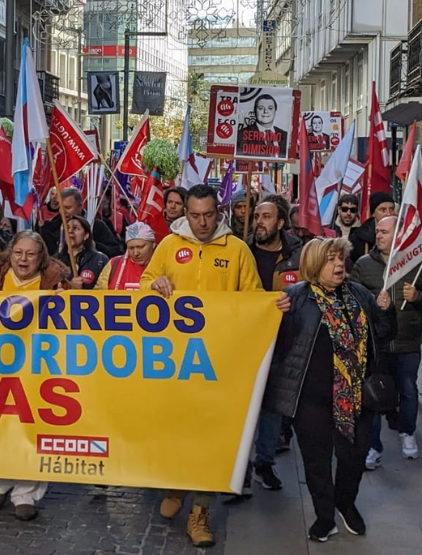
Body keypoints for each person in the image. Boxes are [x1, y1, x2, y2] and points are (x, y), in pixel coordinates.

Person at [141, 184, 291, 548]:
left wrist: (271, 306)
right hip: (175, 363)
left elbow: (252, 297)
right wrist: (153, 284)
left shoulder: (237, 250)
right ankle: (177, 487)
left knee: (213, 438)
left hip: (219, 363)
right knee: (177, 431)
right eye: (195, 216)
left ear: (219, 212)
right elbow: (145, 284)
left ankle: (200, 512)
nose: (202, 222)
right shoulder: (168, 246)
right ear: (185, 214)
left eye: (209, 215)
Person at [265, 237, 391, 542]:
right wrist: (273, 315)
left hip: (356, 396)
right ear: (313, 265)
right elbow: (274, 345)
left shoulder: (360, 294)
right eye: (330, 260)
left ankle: (345, 503)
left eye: (340, 259)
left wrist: (387, 311)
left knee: (354, 457)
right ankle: (324, 516)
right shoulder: (294, 297)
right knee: (316, 462)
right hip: (310, 399)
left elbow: (384, 335)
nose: (338, 265)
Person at [0, 231, 70, 520]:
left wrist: (67, 301)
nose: (23, 259)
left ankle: (26, 493)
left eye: (31, 254)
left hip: (39, 366)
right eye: (18, 253)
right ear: (10, 254)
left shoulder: (53, 282)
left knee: (34, 427)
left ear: (41, 258)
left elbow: (74, 321)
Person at [349, 216, 422, 470]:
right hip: (376, 342)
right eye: (377, 231)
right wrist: (372, 301)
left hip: (406, 341)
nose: (378, 236)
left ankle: (407, 432)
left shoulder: (416, 265)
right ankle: (373, 446)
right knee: (374, 393)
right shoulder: (363, 264)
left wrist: (418, 296)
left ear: (398, 236)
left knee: (408, 389)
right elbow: (352, 297)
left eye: (384, 232)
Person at [246, 197, 305, 493]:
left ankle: (264, 463)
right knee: (243, 408)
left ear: (280, 223)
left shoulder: (298, 254)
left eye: (266, 217)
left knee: (271, 407)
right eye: (257, 216)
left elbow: (311, 292)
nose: (259, 221)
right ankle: (239, 468)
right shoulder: (242, 252)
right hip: (245, 343)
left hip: (283, 342)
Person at [38, 187, 123, 257]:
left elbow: (116, 251)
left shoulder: (97, 225)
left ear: (80, 206)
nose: (63, 212)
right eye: (60, 207)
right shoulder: (50, 227)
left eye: (67, 208)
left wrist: (93, 244)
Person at [97, 222, 157, 290]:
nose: (136, 253)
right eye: (131, 248)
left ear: (153, 244)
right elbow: (99, 294)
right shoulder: (114, 264)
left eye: (140, 247)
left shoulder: (164, 263)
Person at [61, 215, 110, 289]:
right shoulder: (56, 261)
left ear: (86, 235)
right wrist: (70, 287)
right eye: (67, 228)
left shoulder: (100, 260)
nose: (70, 231)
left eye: (75, 228)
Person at [347, 191, 396, 263]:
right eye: (383, 210)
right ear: (373, 213)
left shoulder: (402, 232)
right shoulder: (358, 238)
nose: (388, 214)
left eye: (391, 209)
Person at [238, 93, 288, 157]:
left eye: (270, 108)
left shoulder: (285, 135)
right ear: (254, 111)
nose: (265, 111)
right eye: (261, 108)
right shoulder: (241, 135)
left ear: (275, 111)